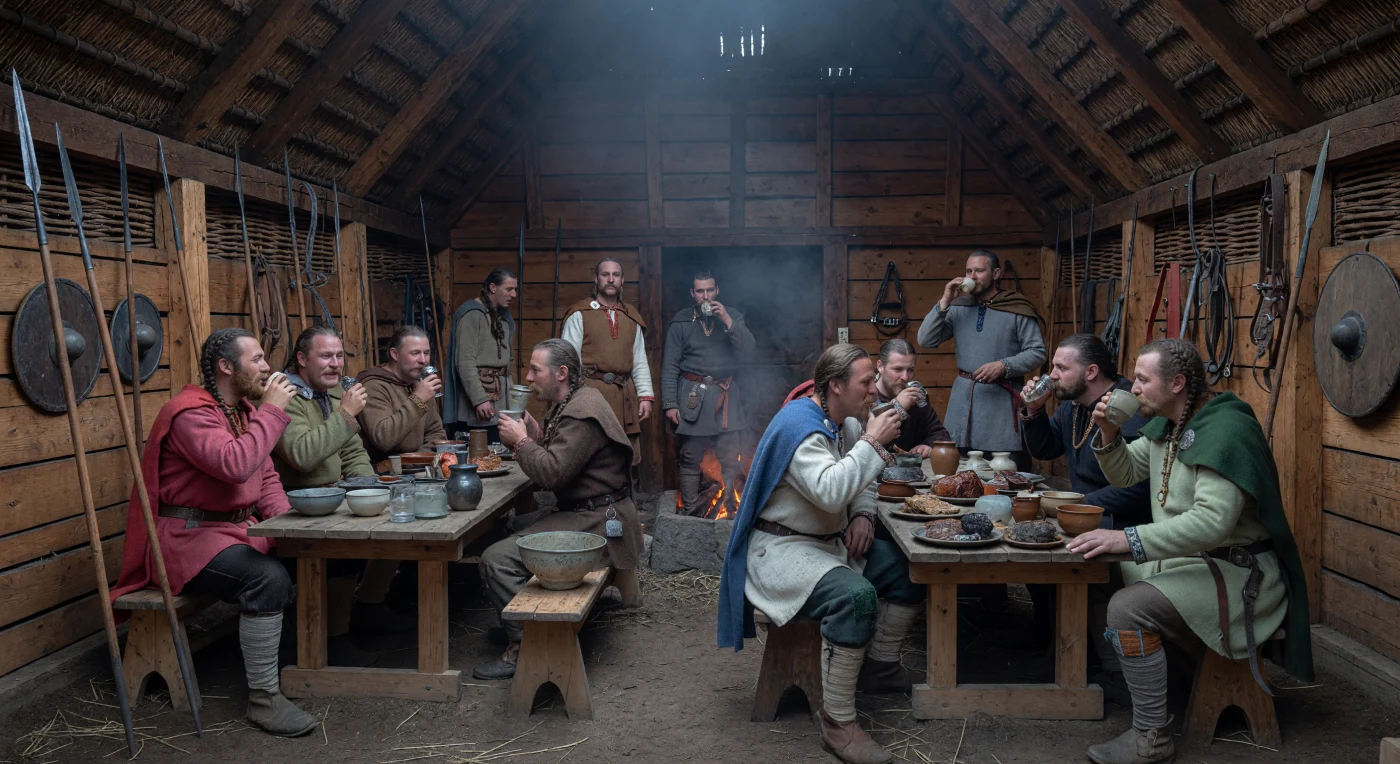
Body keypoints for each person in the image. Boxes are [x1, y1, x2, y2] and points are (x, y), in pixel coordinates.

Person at [1071, 339, 1312, 764]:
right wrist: (1108, 433)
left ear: (1177, 382)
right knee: (1095, 571)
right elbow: (1127, 472)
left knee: (1128, 608)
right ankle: (1134, 674)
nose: (1134, 387)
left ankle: (1151, 738)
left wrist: (1128, 539)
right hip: (1195, 562)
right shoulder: (1169, 423)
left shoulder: (1225, 431)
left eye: (1143, 379)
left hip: (1239, 574)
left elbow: (1212, 523)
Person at [110, 328, 319, 736]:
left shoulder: (239, 411)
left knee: (301, 557)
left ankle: (301, 664)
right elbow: (235, 465)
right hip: (187, 540)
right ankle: (264, 699)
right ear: (226, 367)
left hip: (232, 531)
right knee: (267, 578)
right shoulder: (190, 414)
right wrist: (273, 411)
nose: (267, 367)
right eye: (256, 360)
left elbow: (266, 478)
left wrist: (296, 529)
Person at [719, 344, 919, 764]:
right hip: (782, 550)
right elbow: (831, 492)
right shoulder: (802, 429)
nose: (872, 391)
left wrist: (863, 514)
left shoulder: (841, 419)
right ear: (836, 385)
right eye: (865, 382)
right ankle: (838, 723)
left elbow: (861, 478)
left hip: (828, 543)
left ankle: (879, 667)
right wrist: (873, 442)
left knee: (905, 570)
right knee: (856, 596)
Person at [475, 339, 645, 680]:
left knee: (495, 559)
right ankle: (521, 618)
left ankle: (525, 647)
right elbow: (567, 456)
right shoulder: (574, 399)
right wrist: (536, 434)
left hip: (597, 520)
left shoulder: (582, 412)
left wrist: (521, 442)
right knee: (502, 529)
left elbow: (552, 474)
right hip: (585, 508)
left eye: (536, 370)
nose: (528, 376)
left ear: (562, 373)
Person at [1016, 334, 1152, 687]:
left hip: (1124, 523)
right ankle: (1049, 640)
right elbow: (1046, 449)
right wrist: (1033, 412)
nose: (1053, 374)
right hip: (1087, 515)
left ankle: (1083, 664)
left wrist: (1079, 505)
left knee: (1065, 567)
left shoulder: (1126, 409)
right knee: (1029, 550)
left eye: (1062, 367)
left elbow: (1138, 488)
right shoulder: (1073, 406)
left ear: (1091, 372)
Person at [274, 326, 411, 666]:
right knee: (340, 556)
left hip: (335, 497)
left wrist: (369, 489)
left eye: (339, 356)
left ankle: (369, 608)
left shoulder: (333, 394)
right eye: (326, 356)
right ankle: (333, 640)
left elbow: (352, 452)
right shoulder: (286, 398)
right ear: (302, 359)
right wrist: (347, 415)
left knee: (393, 519)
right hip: (297, 504)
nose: (336, 364)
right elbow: (302, 455)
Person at [917, 250, 1046, 464]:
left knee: (1002, 469)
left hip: (1000, 407)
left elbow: (1038, 352)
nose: (972, 276)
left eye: (979, 270)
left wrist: (1004, 365)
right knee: (958, 471)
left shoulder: (1016, 309)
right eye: (969, 271)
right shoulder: (958, 308)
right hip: (962, 404)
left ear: (996, 273)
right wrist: (945, 300)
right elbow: (926, 339)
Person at [661, 270, 757, 515]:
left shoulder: (732, 316)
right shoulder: (681, 321)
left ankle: (730, 509)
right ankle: (691, 512)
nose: (706, 296)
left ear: (717, 291)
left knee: (729, 454)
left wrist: (726, 320)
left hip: (725, 394)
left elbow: (749, 352)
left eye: (710, 290)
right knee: (690, 455)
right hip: (693, 395)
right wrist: (671, 403)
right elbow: (670, 365)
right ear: (693, 293)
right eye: (700, 291)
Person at [561, 257, 653, 462]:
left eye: (616, 275)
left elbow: (639, 360)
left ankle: (626, 495)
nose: (611, 279)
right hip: (590, 396)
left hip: (624, 397)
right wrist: (571, 400)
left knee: (624, 457)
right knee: (592, 455)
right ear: (596, 279)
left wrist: (645, 395)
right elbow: (568, 361)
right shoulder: (579, 314)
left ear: (622, 280)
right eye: (605, 274)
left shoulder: (631, 316)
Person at [443, 268, 518, 444]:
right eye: (509, 289)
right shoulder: (471, 315)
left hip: (500, 400)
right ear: (493, 287)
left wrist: (513, 404)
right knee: (478, 453)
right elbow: (464, 362)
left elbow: (507, 365)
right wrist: (479, 400)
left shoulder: (504, 318)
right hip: (479, 401)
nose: (514, 294)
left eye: (515, 289)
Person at [356, 324, 447, 463]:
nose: (423, 360)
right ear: (394, 354)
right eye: (415, 353)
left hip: (417, 468)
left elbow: (436, 434)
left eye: (426, 353)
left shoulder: (419, 383)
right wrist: (418, 400)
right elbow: (383, 438)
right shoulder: (373, 386)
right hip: (383, 474)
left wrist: (418, 459)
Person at [872, 338, 950, 456]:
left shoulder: (916, 395)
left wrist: (928, 446)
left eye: (910, 370)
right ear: (880, 366)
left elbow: (940, 434)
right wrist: (898, 406)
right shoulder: (866, 395)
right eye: (898, 369)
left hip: (913, 471)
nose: (905, 377)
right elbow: (867, 440)